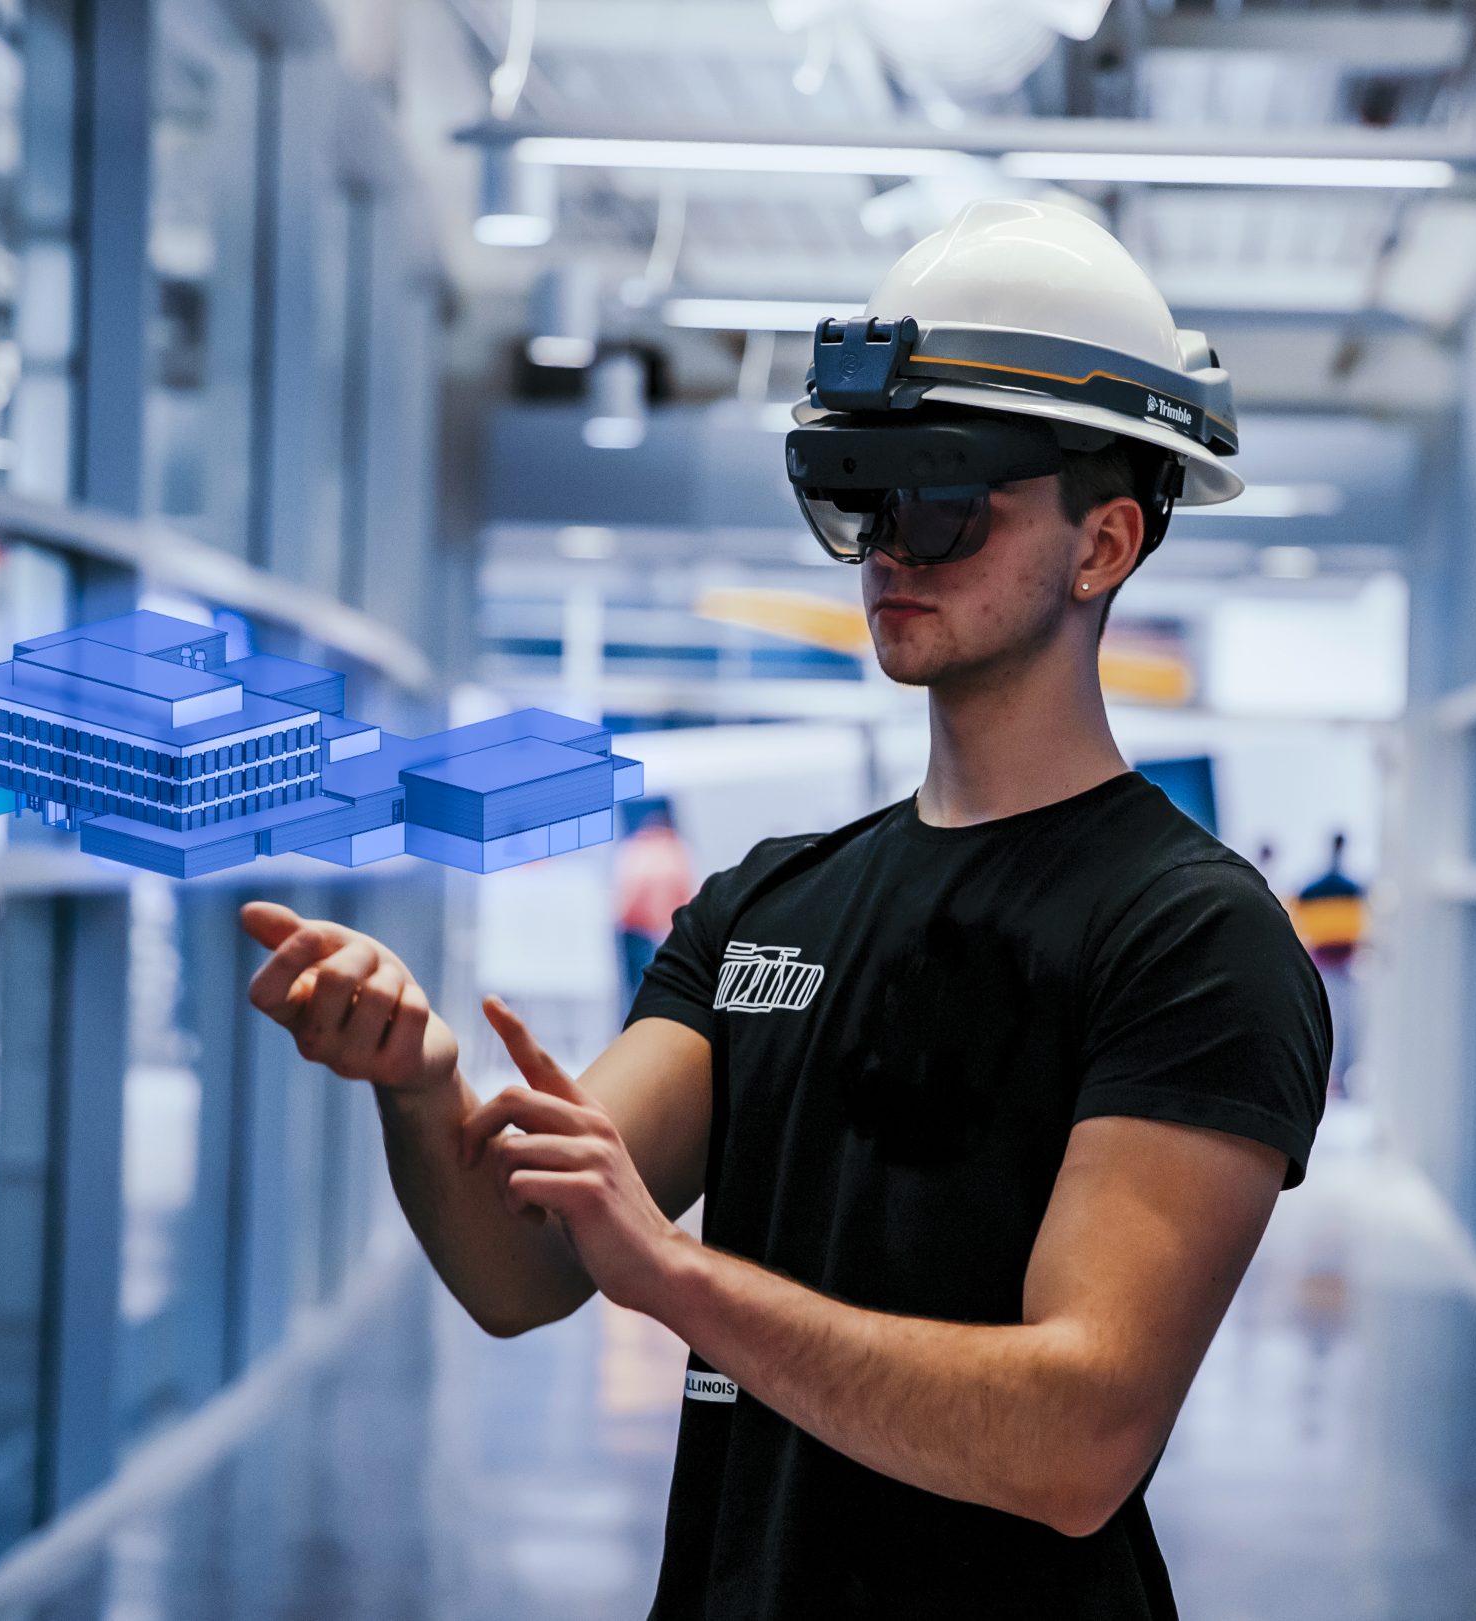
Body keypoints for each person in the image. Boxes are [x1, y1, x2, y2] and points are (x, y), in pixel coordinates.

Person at [236, 198, 1329, 1621]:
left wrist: (682, 1280)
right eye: (859, 495)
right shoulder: (769, 904)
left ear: (1104, 544)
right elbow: (524, 1269)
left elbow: (1079, 1439)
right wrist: (420, 1084)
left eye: (943, 497)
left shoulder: (1189, 937)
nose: (891, 546)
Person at [1291, 830, 1367, 1100]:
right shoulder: (1347, 888)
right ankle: (1332, 1078)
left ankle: (1334, 1078)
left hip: (1331, 963)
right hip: (1331, 964)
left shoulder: (1321, 888)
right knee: (1337, 1022)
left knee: (1336, 1021)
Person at [613, 799, 695, 1021]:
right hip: (664, 930)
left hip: (636, 929)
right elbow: (685, 893)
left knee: (636, 988)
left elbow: (626, 896)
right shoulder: (676, 849)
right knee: (659, 988)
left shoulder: (634, 849)